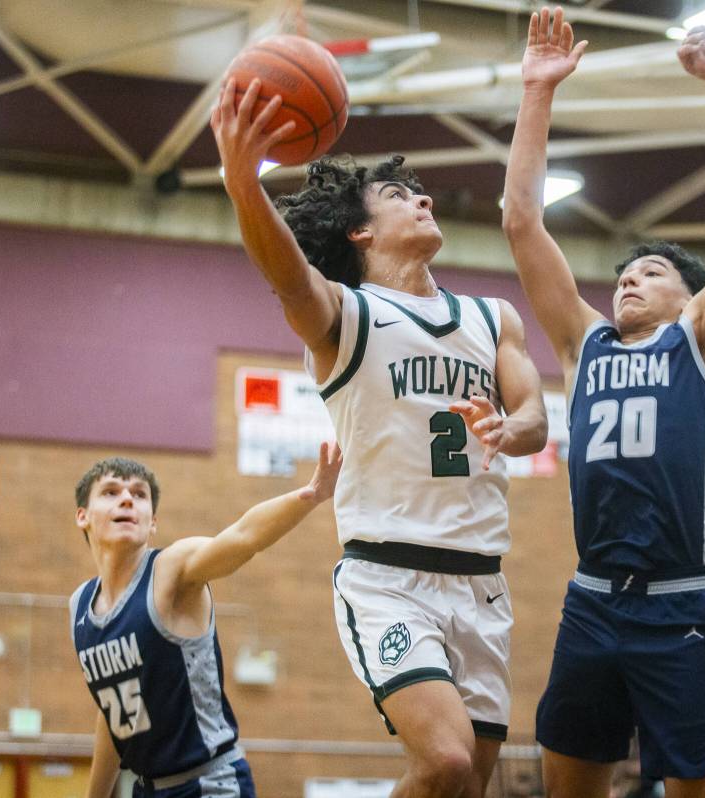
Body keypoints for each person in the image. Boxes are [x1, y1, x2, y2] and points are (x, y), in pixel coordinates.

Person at [211, 77, 549, 798]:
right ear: (359, 234)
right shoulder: (345, 315)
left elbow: (535, 419)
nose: (423, 198)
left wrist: (510, 426)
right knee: (446, 763)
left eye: (421, 193)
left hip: (482, 581)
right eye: (399, 196)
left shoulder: (494, 319)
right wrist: (246, 187)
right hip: (389, 577)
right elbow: (288, 276)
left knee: (470, 784)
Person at [502, 7, 705, 798]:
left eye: (652, 271)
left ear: (690, 294)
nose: (630, 278)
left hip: (683, 604)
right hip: (592, 598)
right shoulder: (581, 346)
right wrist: (537, 93)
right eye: (624, 272)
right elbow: (522, 222)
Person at [70, 444, 342, 798]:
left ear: (152, 522)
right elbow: (114, 711)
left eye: (139, 494)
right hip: (147, 789)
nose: (127, 500)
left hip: (209, 783)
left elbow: (244, 536)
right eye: (110, 492)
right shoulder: (80, 606)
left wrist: (312, 494)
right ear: (83, 516)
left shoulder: (171, 570)